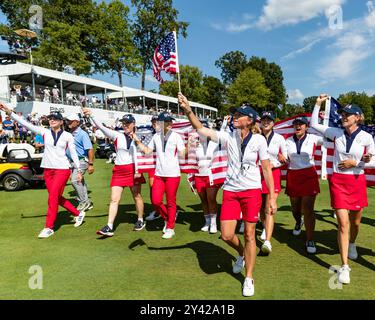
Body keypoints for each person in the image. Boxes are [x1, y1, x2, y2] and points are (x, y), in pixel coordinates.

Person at [178, 93, 276, 297]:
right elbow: (200, 128)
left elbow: (266, 169)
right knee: (226, 235)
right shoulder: (227, 136)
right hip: (231, 191)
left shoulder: (258, 140)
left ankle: (249, 277)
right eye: (234, 115)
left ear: (249, 121)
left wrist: (273, 198)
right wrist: (188, 109)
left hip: (251, 191)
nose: (234, 117)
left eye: (239, 115)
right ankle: (241, 254)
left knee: (249, 234)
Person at [311, 94, 375, 284]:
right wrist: (318, 103)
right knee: (343, 223)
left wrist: (355, 163)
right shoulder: (335, 132)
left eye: (348, 114)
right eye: (342, 114)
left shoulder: (366, 137)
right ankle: (344, 266)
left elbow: (373, 161)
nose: (344, 116)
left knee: (355, 223)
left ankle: (352, 243)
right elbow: (314, 124)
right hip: (338, 181)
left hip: (356, 180)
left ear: (358, 117)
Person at [0, 103, 85, 238]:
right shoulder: (45, 132)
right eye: (50, 118)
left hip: (62, 169)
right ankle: (78, 213)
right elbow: (26, 123)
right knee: (55, 197)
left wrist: (79, 171)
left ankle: (49, 227)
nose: (52, 120)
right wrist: (10, 113)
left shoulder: (68, 136)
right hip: (48, 170)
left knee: (52, 198)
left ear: (61, 122)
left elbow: (74, 154)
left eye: (55, 119)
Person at [82, 109, 146, 236]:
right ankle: (109, 226)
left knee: (136, 195)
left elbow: (143, 154)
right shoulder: (117, 135)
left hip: (134, 169)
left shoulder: (141, 137)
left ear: (133, 124)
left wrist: (138, 170)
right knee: (114, 199)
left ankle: (140, 219)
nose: (125, 125)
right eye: (123, 123)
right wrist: (91, 115)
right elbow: (100, 126)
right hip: (119, 170)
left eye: (128, 123)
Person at [131, 111, 186, 239]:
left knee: (171, 202)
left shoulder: (176, 136)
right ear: (160, 123)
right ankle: (167, 219)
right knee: (156, 201)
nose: (169, 124)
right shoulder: (156, 137)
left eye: (170, 121)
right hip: (159, 174)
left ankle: (170, 227)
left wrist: (190, 146)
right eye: (166, 121)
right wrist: (138, 141)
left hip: (173, 174)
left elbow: (183, 154)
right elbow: (147, 151)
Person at [285, 116, 323, 254]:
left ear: (307, 127)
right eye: (296, 124)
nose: (298, 126)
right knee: (295, 208)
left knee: (308, 208)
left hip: (309, 175)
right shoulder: (287, 141)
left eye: (301, 124)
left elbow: (330, 139)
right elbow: (282, 154)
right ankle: (298, 221)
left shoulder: (314, 138)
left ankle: (310, 238)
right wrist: (281, 157)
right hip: (293, 175)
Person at [259, 111, 287, 254]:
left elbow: (286, 159)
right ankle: (265, 226)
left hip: (273, 174)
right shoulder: (256, 137)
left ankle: (267, 242)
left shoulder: (280, 138)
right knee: (260, 209)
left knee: (269, 207)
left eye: (268, 120)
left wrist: (274, 164)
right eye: (263, 120)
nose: (266, 122)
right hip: (257, 174)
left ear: (273, 123)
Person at [191, 120, 221, 234]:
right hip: (198, 175)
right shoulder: (194, 143)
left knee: (211, 199)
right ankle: (207, 221)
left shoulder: (215, 142)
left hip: (211, 174)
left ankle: (213, 223)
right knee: (203, 200)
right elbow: (188, 158)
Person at [66, 113, 95, 212]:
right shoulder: (69, 133)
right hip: (73, 162)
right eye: (68, 121)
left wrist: (91, 164)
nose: (68, 122)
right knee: (80, 182)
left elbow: (90, 149)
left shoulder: (82, 134)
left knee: (75, 181)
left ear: (77, 122)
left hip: (82, 160)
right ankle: (87, 202)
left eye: (71, 121)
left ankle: (83, 202)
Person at [145, 115, 161, 222]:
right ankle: (157, 210)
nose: (155, 124)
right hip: (152, 163)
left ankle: (167, 209)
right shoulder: (149, 134)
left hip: (163, 164)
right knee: (152, 186)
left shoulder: (167, 134)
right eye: (153, 122)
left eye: (157, 122)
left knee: (164, 188)